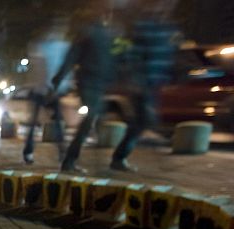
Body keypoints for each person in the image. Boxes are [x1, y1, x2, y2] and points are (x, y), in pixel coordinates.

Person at [108, 3, 179, 172]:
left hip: (155, 82)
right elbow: (133, 55)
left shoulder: (168, 28)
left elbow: (167, 55)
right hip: (143, 82)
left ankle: (122, 156)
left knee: (143, 121)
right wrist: (135, 81)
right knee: (143, 121)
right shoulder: (144, 26)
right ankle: (120, 157)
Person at [51, 3, 117, 173]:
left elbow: (111, 59)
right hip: (88, 82)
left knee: (95, 119)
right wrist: (59, 78)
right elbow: (72, 56)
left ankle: (78, 160)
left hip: (101, 84)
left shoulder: (108, 33)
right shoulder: (87, 32)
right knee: (90, 118)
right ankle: (69, 161)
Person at [21, 20, 72, 165]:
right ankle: (60, 152)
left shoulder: (41, 46)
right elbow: (47, 69)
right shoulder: (59, 47)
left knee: (39, 123)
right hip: (48, 89)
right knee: (52, 123)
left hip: (44, 89)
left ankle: (30, 152)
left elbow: (37, 69)